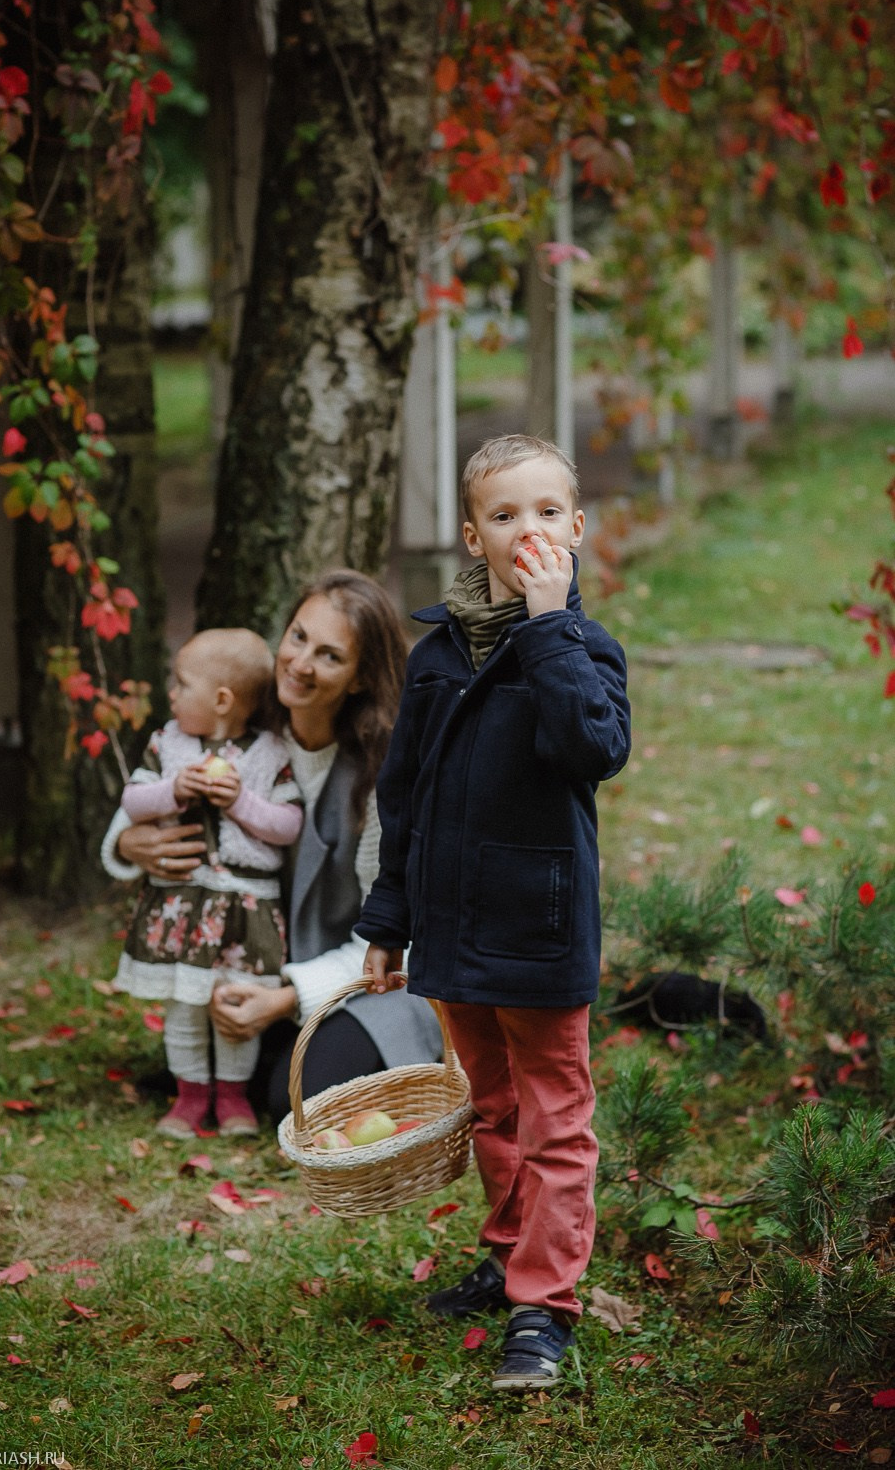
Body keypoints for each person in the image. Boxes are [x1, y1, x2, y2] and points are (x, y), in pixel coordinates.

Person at [356, 434, 632, 1393]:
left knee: (555, 1115)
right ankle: (510, 1247)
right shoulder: (435, 656)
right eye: (505, 516)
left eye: (547, 513)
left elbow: (591, 748)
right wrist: (389, 920)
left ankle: (545, 1305)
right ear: (473, 537)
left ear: (576, 529)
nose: (528, 531)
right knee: (494, 1105)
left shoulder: (583, 648)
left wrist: (549, 626)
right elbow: (404, 793)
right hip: (451, 922)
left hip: (540, 923)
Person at [101, 571, 442, 1125]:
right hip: (261, 961)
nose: (301, 663)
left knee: (291, 1097)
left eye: (330, 656)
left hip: (369, 979)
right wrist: (128, 841)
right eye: (299, 637)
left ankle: (359, 1054)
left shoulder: (380, 779)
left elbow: (392, 935)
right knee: (238, 1065)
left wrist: (284, 999)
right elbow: (152, 787)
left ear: (358, 679)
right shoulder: (248, 731)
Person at [114, 627, 303, 1139]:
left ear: (222, 700)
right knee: (185, 1004)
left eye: (181, 684)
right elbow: (132, 802)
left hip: (246, 907)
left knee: (232, 1002)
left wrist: (240, 802)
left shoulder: (268, 753)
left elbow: (288, 825)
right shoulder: (167, 745)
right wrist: (172, 791)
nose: (170, 694)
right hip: (184, 901)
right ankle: (190, 1095)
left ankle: (234, 1096)